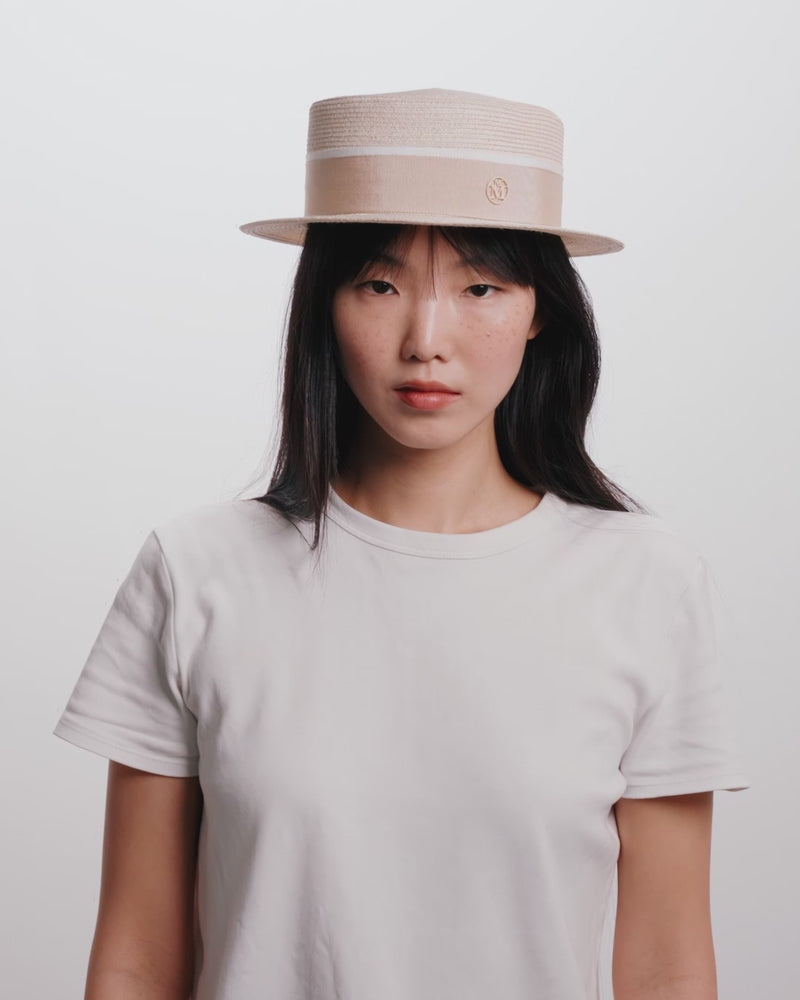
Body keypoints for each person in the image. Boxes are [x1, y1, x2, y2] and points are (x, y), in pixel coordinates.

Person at [54, 88, 751, 1000]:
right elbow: (138, 963)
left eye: (481, 287)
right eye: (380, 285)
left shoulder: (646, 584)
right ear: (325, 302)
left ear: (540, 309)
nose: (427, 340)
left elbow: (665, 970)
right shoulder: (195, 574)